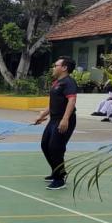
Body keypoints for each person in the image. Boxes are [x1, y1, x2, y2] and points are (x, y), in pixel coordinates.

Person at [35, 57, 77, 190]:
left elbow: (71, 101)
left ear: (64, 68)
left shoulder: (69, 82)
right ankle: (57, 172)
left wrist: (65, 119)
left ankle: (59, 180)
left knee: (55, 148)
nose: (53, 68)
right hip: (53, 119)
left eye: (56, 65)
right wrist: (43, 115)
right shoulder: (56, 82)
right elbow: (53, 103)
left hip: (64, 119)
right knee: (45, 145)